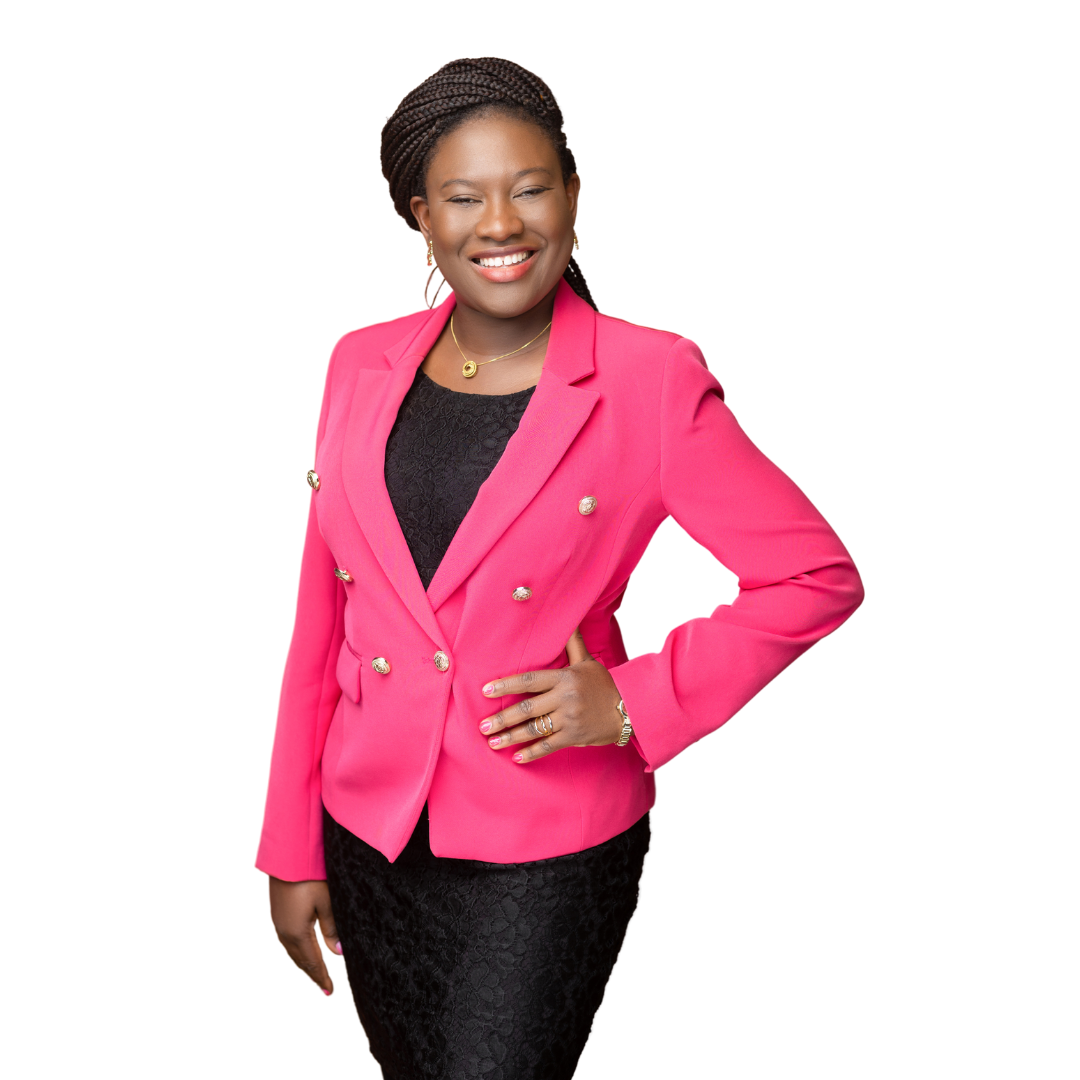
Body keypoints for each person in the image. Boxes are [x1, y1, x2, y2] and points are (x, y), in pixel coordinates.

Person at [257, 57, 864, 1080]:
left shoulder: (648, 378)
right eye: (464, 197)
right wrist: (290, 842)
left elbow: (813, 576)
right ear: (420, 215)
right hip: (369, 833)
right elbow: (325, 613)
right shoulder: (359, 361)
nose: (502, 223)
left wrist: (632, 701)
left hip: (546, 847)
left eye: (531, 188)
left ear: (574, 196)